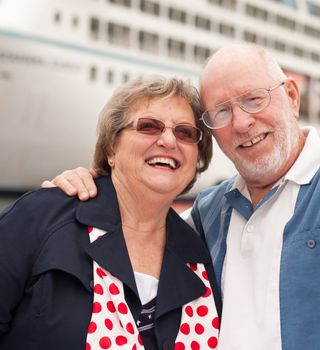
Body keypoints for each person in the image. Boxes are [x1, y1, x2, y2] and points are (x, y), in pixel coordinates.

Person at [44, 32, 320, 349]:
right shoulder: (206, 214)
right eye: (221, 113)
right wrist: (88, 186)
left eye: (253, 99)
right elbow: (134, 230)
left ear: (292, 97)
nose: (242, 122)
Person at [0, 77, 222, 349]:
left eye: (185, 133)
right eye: (149, 126)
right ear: (111, 148)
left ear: (197, 158)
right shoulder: (43, 217)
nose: (168, 140)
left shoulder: (200, 254)